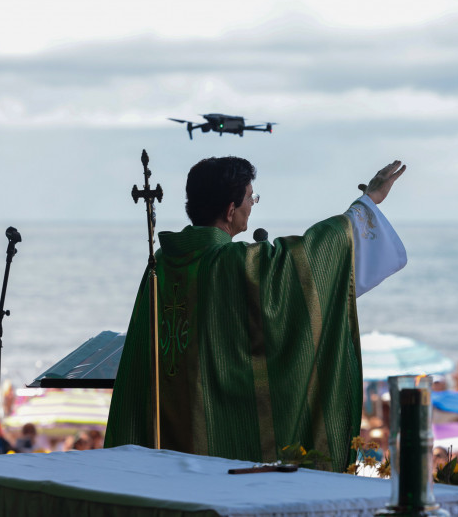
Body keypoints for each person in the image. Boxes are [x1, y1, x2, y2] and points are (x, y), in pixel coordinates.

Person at [105, 158, 407, 472]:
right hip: (215, 440)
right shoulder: (233, 263)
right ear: (230, 210)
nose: (253, 205)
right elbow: (312, 257)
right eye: (251, 198)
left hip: (163, 430)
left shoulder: (164, 261)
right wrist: (367, 202)